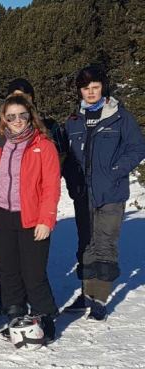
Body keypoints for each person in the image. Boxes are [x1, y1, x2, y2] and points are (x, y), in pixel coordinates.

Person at [61, 65, 145, 320]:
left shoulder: (120, 117)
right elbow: (66, 156)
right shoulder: (73, 121)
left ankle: (99, 298)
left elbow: (137, 148)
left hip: (111, 193)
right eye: (86, 88)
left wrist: (116, 170)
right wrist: (72, 180)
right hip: (83, 194)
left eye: (95, 87)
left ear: (103, 88)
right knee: (86, 245)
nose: (90, 92)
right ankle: (86, 293)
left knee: (105, 245)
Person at [0, 94, 60, 342]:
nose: (17, 120)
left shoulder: (43, 145)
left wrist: (46, 219)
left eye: (21, 115)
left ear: (30, 117)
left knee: (33, 272)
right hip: (2, 215)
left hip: (32, 217)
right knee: (9, 271)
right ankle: (15, 316)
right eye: (11, 116)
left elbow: (51, 187)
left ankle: (44, 317)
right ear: (4, 119)